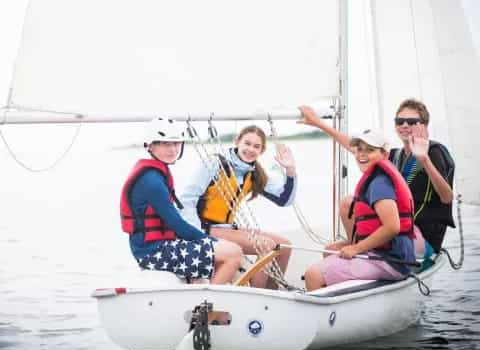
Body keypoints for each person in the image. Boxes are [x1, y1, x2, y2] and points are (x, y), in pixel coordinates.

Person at [298, 100, 455, 257]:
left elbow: (447, 197)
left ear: (424, 126)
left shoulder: (434, 152)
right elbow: (355, 148)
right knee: (332, 247)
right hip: (398, 230)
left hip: (421, 237)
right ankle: (359, 249)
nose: (405, 125)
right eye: (400, 121)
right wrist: (318, 123)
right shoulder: (396, 156)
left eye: (412, 122)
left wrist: (424, 160)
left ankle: (362, 253)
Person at [120, 117, 243, 284]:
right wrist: (211, 241)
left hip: (158, 247)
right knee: (233, 252)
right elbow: (176, 223)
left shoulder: (155, 173)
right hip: (153, 253)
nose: (172, 149)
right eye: (165, 144)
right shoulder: (152, 181)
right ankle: (210, 305)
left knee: (226, 248)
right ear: (150, 145)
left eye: (176, 143)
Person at [180, 125, 297, 289]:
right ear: (237, 142)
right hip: (206, 228)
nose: (250, 149)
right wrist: (196, 234)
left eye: (256, 146)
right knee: (266, 245)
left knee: (284, 246)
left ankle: (274, 297)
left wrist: (290, 170)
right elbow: (186, 200)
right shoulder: (214, 163)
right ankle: (258, 298)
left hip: (228, 228)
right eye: (247, 143)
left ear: (262, 151)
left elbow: (285, 200)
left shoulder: (254, 172)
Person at [303, 130, 416, 290]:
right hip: (386, 255)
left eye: (370, 150)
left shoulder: (379, 184)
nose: (362, 155)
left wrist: (356, 248)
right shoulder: (376, 177)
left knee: (313, 274)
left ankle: (323, 312)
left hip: (391, 261)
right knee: (330, 251)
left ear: (385, 154)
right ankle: (342, 295)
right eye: (360, 149)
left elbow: (392, 227)